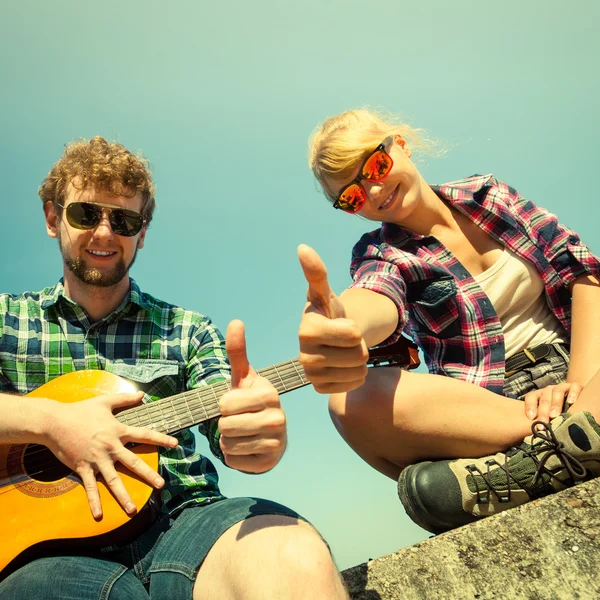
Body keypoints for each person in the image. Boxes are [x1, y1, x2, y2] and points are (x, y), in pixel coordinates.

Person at [0, 137, 349, 599]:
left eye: (124, 220)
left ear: (141, 234)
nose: (105, 233)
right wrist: (52, 423)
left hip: (185, 520)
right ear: (52, 218)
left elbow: (231, 431)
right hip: (44, 554)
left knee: (289, 554)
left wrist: (254, 438)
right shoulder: (7, 319)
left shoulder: (187, 329)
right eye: (86, 214)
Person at [297, 108, 600, 534]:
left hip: (579, 367)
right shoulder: (379, 253)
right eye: (352, 197)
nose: (374, 190)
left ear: (399, 145)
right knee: (352, 400)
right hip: (490, 412)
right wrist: (344, 321)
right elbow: (376, 296)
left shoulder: (488, 194)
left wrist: (580, 383)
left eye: (375, 167)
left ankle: (527, 467)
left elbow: (581, 273)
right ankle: (575, 442)